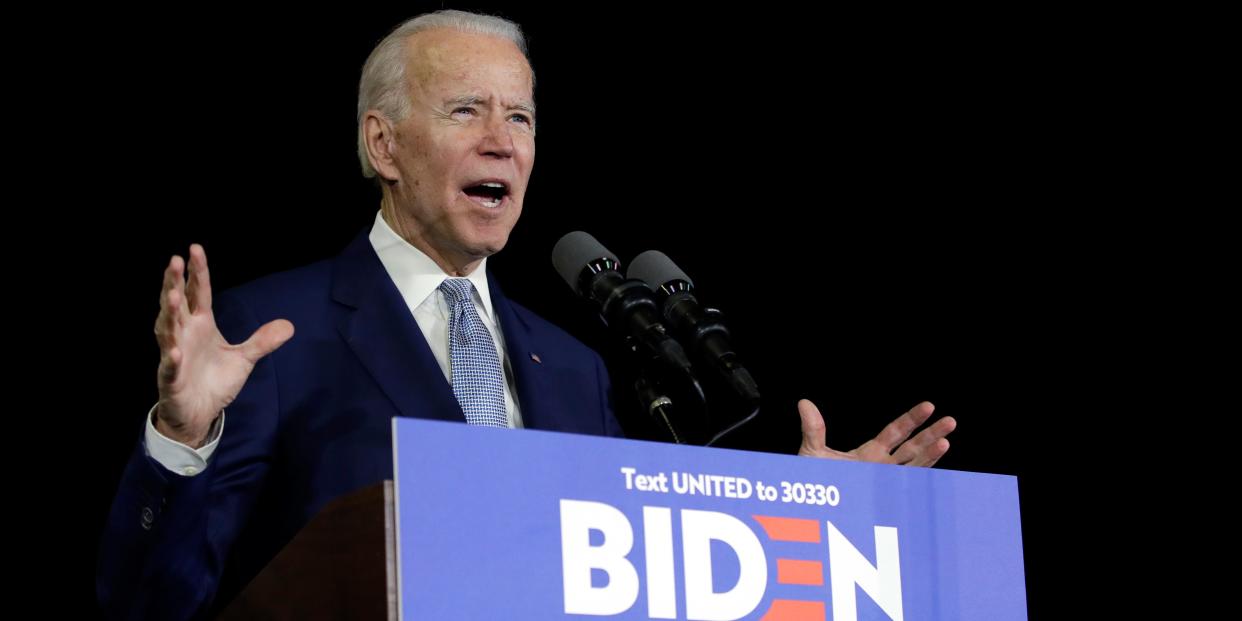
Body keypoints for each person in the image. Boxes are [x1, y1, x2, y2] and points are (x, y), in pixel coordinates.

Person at [98, 10, 955, 620]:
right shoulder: (273, 333)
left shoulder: (574, 365)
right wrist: (180, 443)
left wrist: (801, 521)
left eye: (521, 117)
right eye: (466, 109)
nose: (502, 140)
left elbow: (643, 573)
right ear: (382, 144)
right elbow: (152, 604)